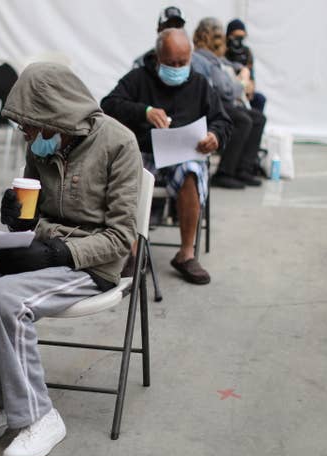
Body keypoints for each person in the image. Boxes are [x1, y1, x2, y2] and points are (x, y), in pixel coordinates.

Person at [0, 62, 141, 456]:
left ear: (58, 115)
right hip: (45, 249)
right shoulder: (42, 143)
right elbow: (33, 215)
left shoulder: (119, 144)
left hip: (93, 263)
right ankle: (2, 405)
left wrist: (61, 252)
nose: (26, 135)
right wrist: (16, 217)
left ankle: (40, 417)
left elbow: (121, 238)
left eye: (31, 126)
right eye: (23, 126)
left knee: (4, 299)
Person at [102, 28, 232, 284]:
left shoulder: (199, 84)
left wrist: (215, 136)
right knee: (126, 173)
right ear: (157, 57)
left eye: (182, 63)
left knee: (191, 173)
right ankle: (133, 252)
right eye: (170, 63)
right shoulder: (139, 78)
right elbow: (108, 105)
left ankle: (186, 254)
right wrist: (144, 111)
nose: (177, 68)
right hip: (145, 150)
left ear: (190, 58)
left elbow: (223, 121)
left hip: (183, 154)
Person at [192, 17, 266, 188]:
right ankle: (225, 172)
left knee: (258, 118)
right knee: (243, 120)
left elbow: (225, 63)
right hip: (211, 105)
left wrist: (240, 68)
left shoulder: (212, 57)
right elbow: (226, 91)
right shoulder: (203, 59)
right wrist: (242, 82)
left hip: (220, 102)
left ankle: (244, 169)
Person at [225, 19, 266, 112]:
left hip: (244, 87)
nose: (238, 41)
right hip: (228, 87)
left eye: (241, 37)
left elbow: (251, 75)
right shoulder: (223, 50)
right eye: (236, 37)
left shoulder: (246, 52)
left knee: (259, 99)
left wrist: (249, 88)